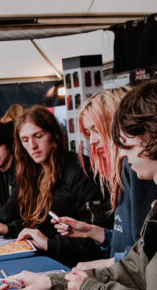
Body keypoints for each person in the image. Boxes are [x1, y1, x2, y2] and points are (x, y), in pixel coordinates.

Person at [0, 79, 157, 290]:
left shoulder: (130, 175)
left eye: (98, 130)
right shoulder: (134, 178)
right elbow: (136, 263)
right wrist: (54, 282)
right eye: (25, 139)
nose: (94, 142)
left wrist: (89, 289)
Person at [0, 106, 109, 266]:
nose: (32, 146)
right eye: (25, 140)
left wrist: (49, 244)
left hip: (74, 266)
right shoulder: (33, 172)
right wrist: (9, 228)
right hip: (47, 257)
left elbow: (97, 238)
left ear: (54, 136)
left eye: (38, 136)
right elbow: (41, 223)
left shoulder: (81, 170)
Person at [53, 88, 157, 270]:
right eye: (88, 132)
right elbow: (130, 243)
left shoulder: (138, 169)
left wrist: (104, 265)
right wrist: (95, 232)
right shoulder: (125, 170)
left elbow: (144, 256)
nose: (91, 141)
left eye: (96, 130)